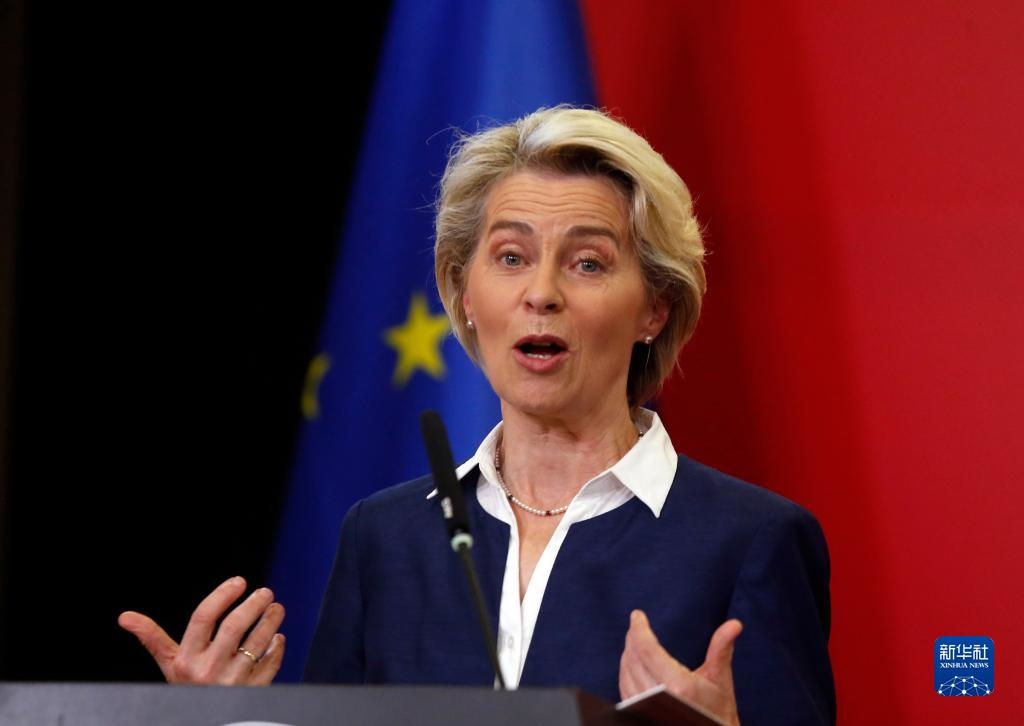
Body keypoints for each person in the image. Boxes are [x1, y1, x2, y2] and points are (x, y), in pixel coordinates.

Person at [120, 106, 835, 725]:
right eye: (511, 257)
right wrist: (219, 721)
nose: (541, 292)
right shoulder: (385, 538)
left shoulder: (751, 542)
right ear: (466, 294)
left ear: (655, 307)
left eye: (587, 263)